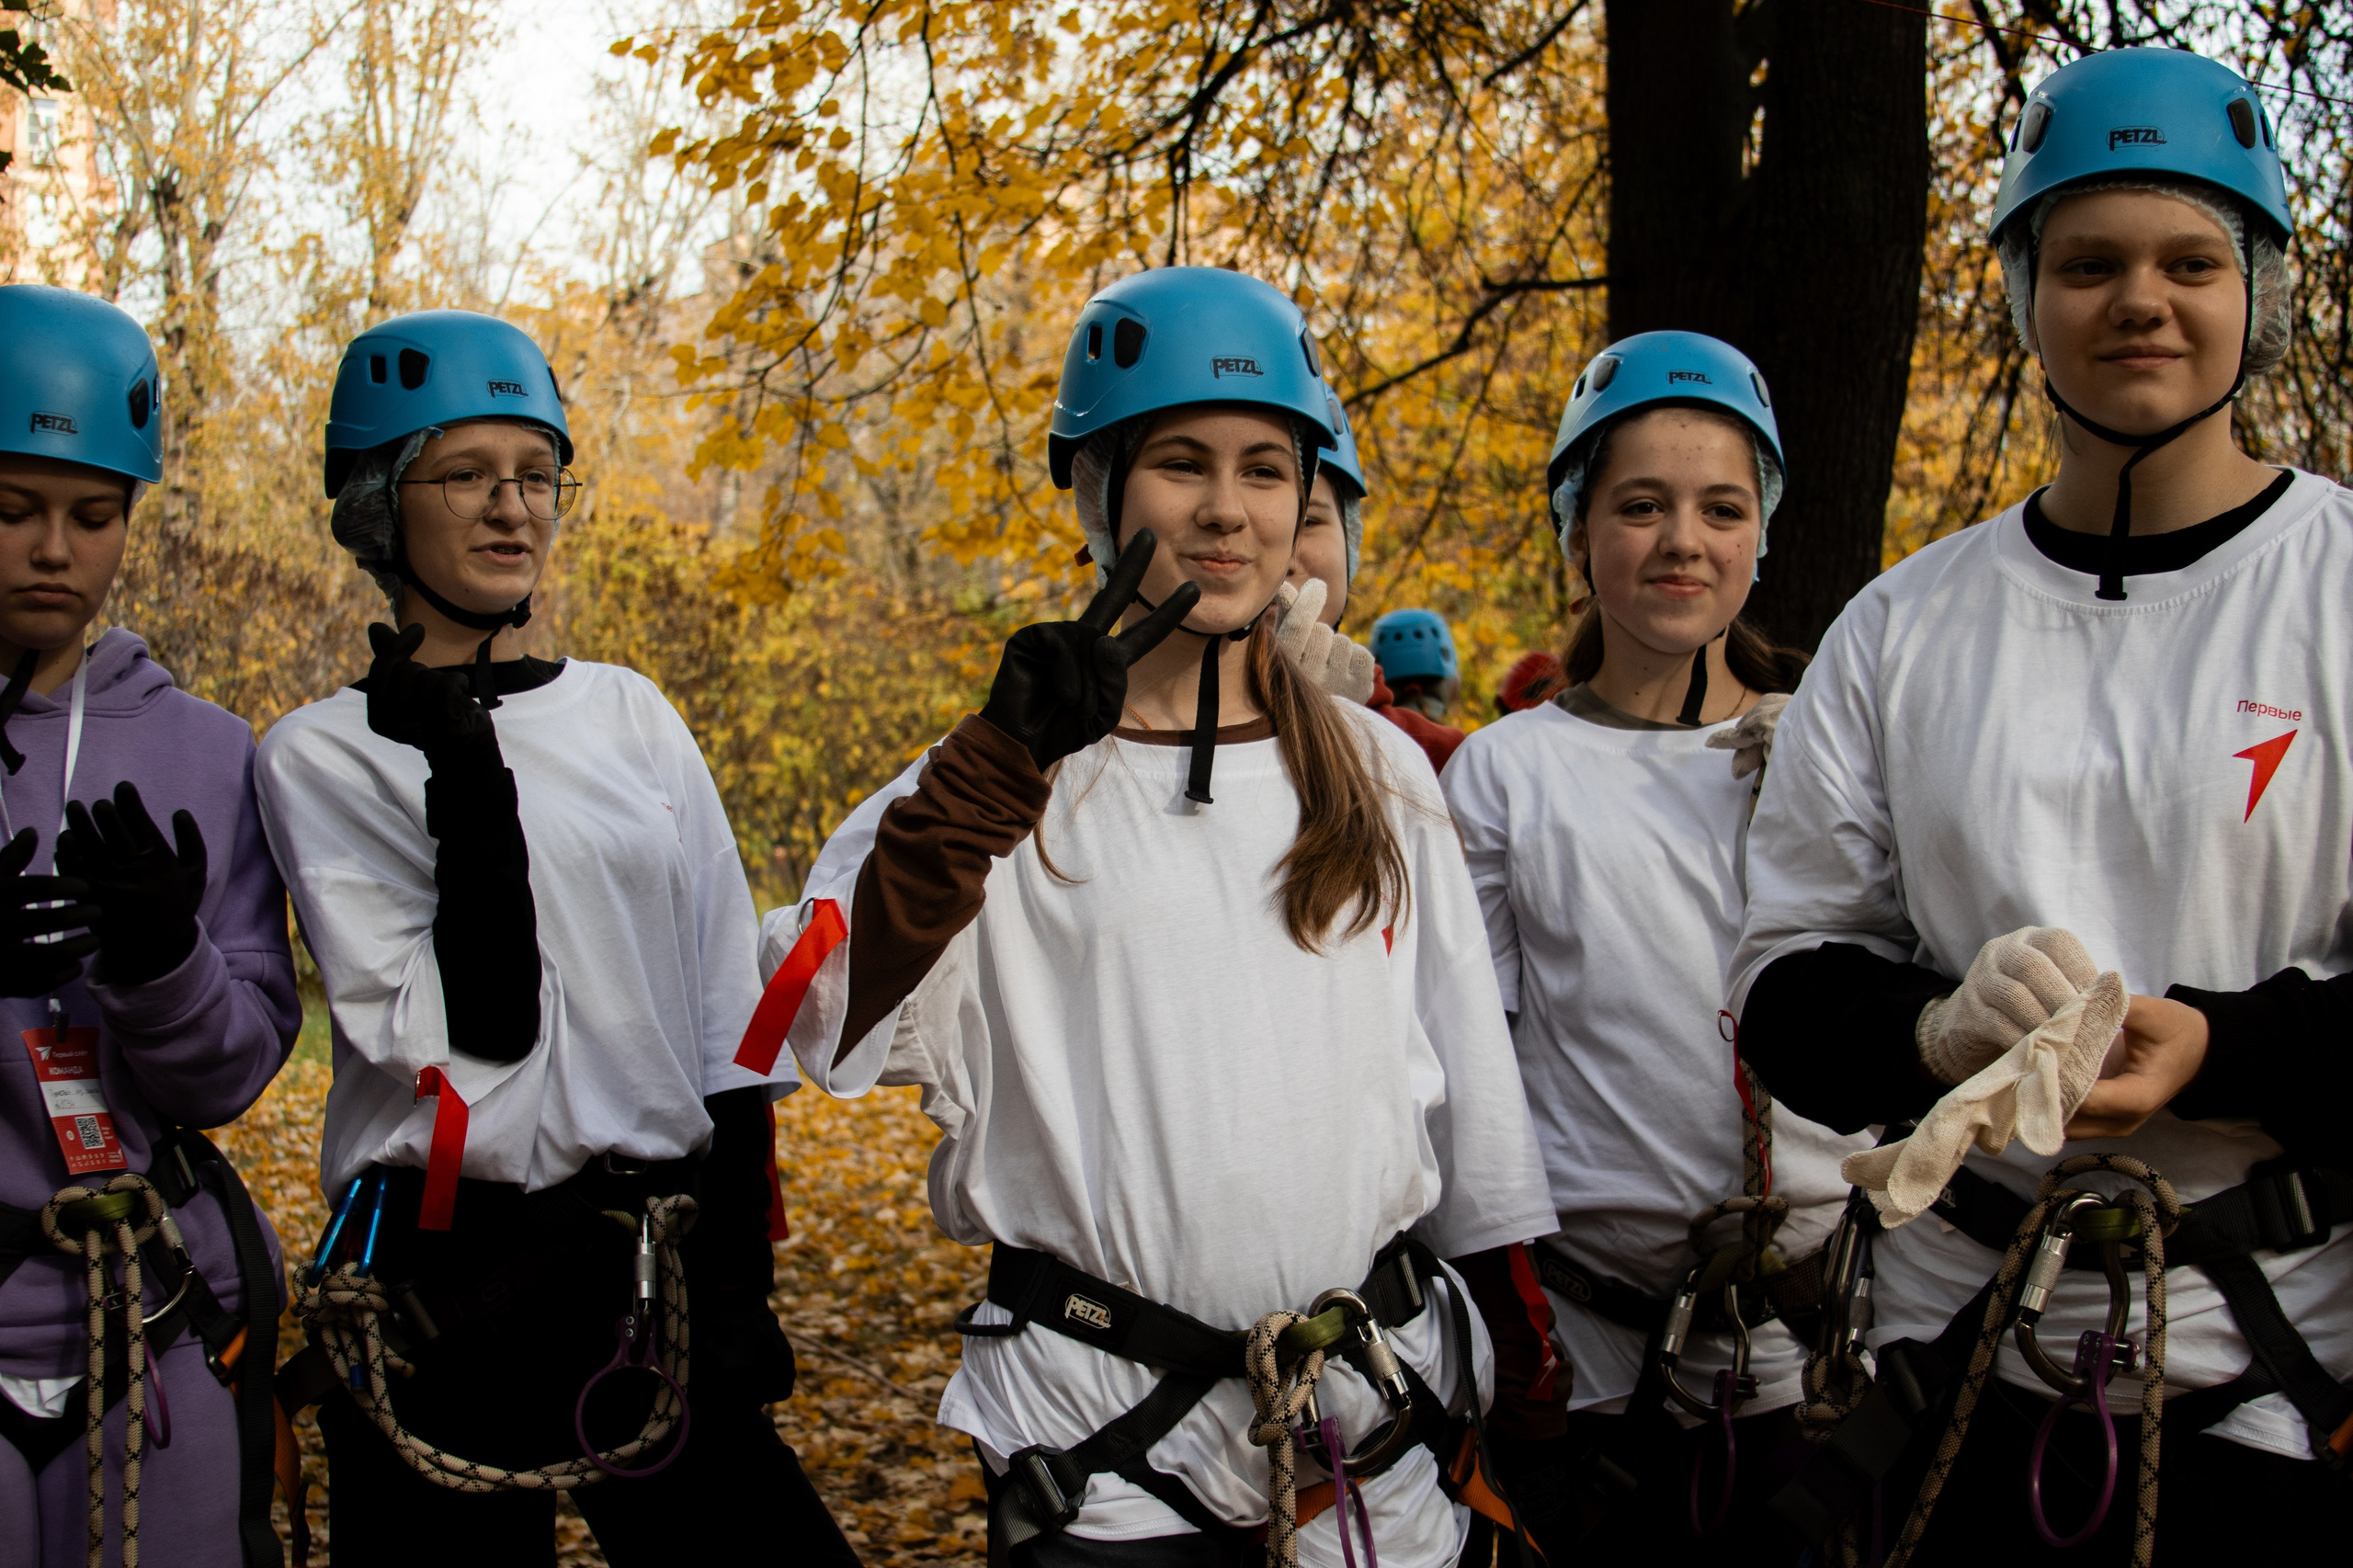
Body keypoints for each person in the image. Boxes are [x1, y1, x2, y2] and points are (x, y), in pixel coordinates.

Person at [754, 266, 1556, 1568]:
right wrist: (989, 779)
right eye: (1184, 463)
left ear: (1308, 493)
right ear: (1100, 489)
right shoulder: (1007, 780)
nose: (1228, 509)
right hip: (1104, 1438)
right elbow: (801, 1011)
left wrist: (1519, 1332)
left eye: (1264, 466)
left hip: (1371, 1435)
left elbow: (1466, 1087)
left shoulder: (1380, 769)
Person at [1730, 48, 2351, 1563]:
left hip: (2269, 1378)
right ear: (2024, 294)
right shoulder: (1904, 626)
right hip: (1960, 1377)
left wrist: (2229, 1046)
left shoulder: (2338, 587)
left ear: (2257, 290)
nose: (2142, 300)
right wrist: (1935, 1033)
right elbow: (1783, 984)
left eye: (2192, 260)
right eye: (2089, 262)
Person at [252, 309, 855, 1567]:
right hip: (442, 1279)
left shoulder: (631, 714)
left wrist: (737, 1284)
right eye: (465, 474)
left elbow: (717, 1009)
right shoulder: (317, 753)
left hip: (639, 1263)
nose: (510, 507)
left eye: (536, 475)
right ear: (378, 503)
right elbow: (481, 1028)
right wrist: (465, 772)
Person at [1440, 330, 1849, 1566]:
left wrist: (1841, 795)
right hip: (1597, 1349)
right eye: (1640, 506)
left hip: (1815, 1345)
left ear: (1762, 533)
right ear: (1577, 532)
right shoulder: (1511, 773)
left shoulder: (1832, 749)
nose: (1684, 539)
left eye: (1722, 507)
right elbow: (1474, 1055)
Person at [0, 285, 301, 1568]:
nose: (54, 549)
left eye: (93, 514)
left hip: (151, 1325)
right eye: (12, 510)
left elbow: (234, 1067)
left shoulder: (207, 750)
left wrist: (159, 963)